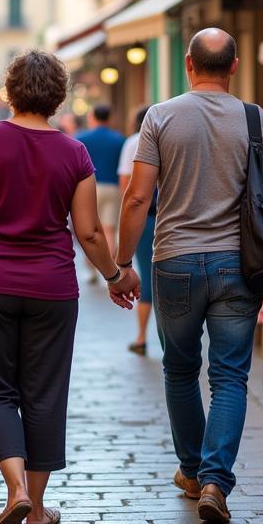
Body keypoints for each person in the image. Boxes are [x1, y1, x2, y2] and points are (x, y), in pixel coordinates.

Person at [0, 50, 134, 524]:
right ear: (58, 97)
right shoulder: (74, 153)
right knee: (45, 392)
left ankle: (14, 488)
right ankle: (35, 509)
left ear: (10, 91)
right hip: (52, 288)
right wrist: (117, 275)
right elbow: (90, 232)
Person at [113, 28, 263, 524]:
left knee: (180, 370)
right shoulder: (254, 118)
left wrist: (122, 265)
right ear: (234, 65)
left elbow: (138, 198)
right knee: (230, 375)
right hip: (238, 264)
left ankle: (191, 470)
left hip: (175, 262)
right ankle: (213, 481)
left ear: (188, 64)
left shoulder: (160, 116)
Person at [117, 105, 156, 356]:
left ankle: (142, 336)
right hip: (167, 217)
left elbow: (127, 188)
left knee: (146, 276)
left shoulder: (133, 142)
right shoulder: (167, 137)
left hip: (146, 217)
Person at [76, 104, 126, 264]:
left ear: (92, 117)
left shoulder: (81, 138)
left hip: (88, 188)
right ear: (109, 118)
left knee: (89, 230)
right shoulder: (120, 139)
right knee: (109, 230)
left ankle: (91, 269)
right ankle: (110, 271)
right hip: (113, 187)